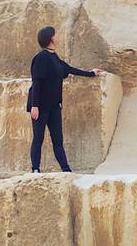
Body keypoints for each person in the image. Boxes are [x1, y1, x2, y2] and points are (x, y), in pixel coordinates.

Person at [26, 26, 103, 173]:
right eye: (56, 35)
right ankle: (35, 169)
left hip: (55, 106)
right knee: (38, 140)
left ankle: (66, 170)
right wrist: (35, 106)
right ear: (50, 39)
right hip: (40, 107)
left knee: (58, 141)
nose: (58, 36)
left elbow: (70, 69)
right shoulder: (41, 58)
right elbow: (37, 82)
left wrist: (91, 73)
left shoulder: (55, 58)